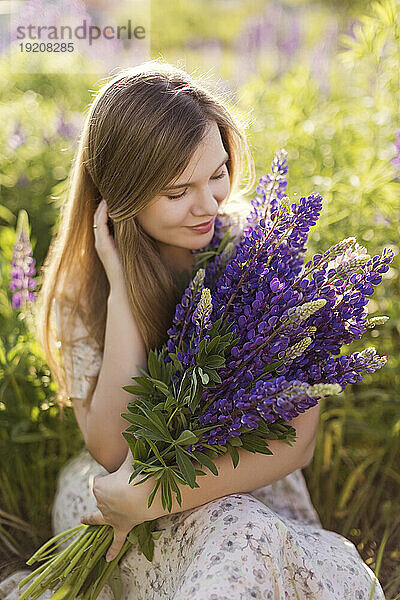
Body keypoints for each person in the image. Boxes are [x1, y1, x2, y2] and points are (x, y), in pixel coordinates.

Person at [0, 61, 386, 600]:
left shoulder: (261, 257)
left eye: (218, 172)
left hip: (242, 481)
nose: (210, 204)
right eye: (179, 191)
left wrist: (155, 500)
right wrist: (122, 292)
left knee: (237, 532)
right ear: (123, 196)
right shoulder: (81, 295)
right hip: (119, 497)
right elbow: (113, 450)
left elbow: (297, 442)